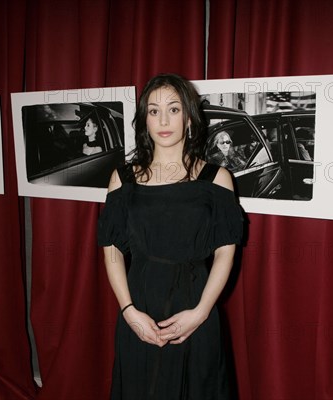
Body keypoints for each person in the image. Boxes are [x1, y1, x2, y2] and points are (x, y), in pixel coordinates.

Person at [98, 73, 244, 399]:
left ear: (189, 117)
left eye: (174, 109)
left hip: (196, 305)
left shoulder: (216, 179)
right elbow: (111, 248)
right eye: (153, 111)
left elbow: (226, 251)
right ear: (144, 120)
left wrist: (202, 312)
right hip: (139, 305)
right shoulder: (122, 179)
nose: (163, 120)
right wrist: (128, 311)